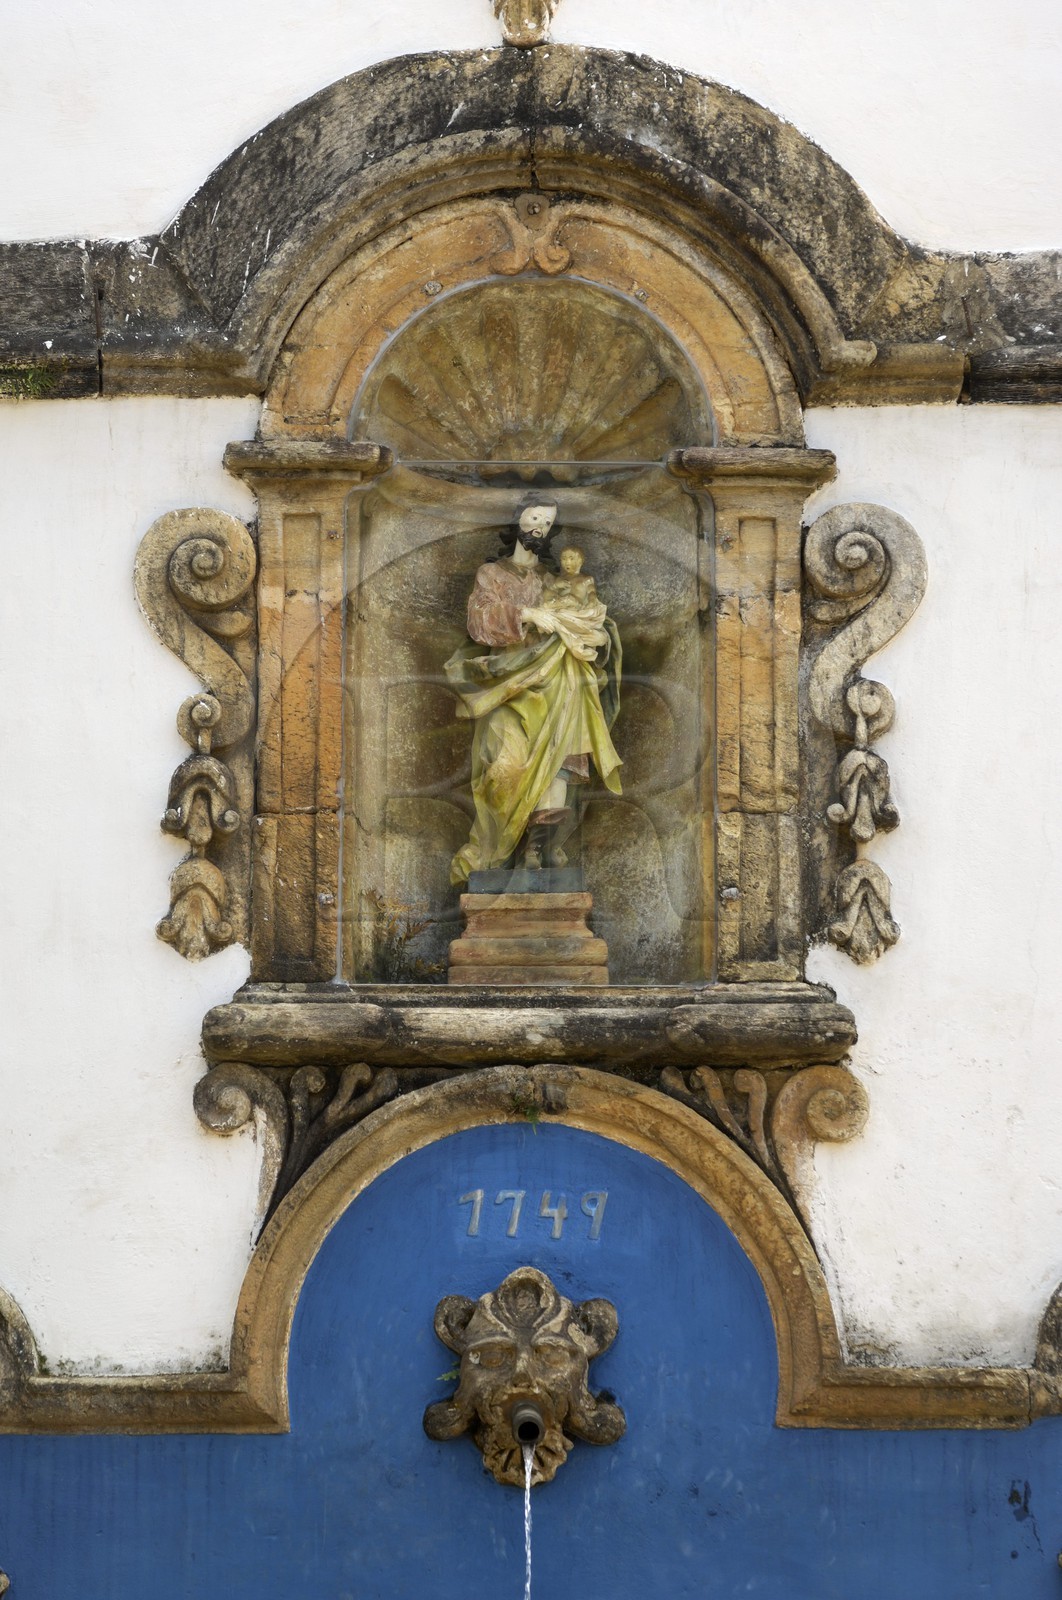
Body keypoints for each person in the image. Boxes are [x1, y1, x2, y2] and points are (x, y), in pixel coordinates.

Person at [445, 505, 622, 883]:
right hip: (509, 685)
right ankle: (495, 853)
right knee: (502, 769)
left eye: (546, 522)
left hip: (557, 682)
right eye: (533, 519)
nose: (539, 527)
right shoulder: (491, 574)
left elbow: (585, 615)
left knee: (558, 767)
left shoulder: (553, 580)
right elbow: (479, 619)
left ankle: (535, 855)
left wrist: (596, 632)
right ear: (516, 523)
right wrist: (526, 614)